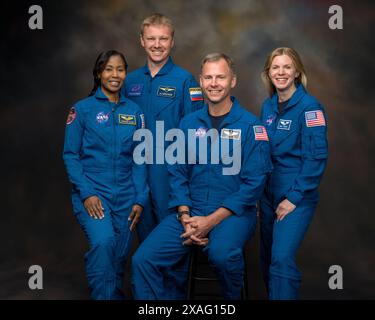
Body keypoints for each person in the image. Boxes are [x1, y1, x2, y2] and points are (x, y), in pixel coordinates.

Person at [131, 53, 272, 299]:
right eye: (208, 77)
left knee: (221, 254)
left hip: (233, 214)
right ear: (201, 81)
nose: (214, 83)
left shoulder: (251, 127)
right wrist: (185, 215)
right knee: (143, 259)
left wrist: (211, 221)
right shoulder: (187, 124)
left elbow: (254, 184)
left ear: (233, 81)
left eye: (220, 77)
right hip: (191, 212)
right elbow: (177, 174)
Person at [63, 50, 148, 300]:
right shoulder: (82, 110)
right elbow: (70, 155)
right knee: (103, 244)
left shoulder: (135, 113)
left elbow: (140, 158)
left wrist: (140, 198)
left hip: (126, 196)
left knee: (119, 257)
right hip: (93, 194)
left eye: (120, 69)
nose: (115, 74)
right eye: (109, 69)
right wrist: (87, 193)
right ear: (99, 73)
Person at [122, 13, 204, 242]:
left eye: (163, 39)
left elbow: (196, 134)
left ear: (172, 42)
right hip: (135, 172)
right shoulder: (130, 82)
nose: (157, 45)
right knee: (143, 237)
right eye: (151, 39)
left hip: (169, 172)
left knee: (172, 240)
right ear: (142, 40)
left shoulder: (185, 81)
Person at [259, 47, 328, 299]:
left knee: (281, 260)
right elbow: (261, 153)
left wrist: (293, 198)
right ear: (268, 73)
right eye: (275, 67)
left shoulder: (310, 108)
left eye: (287, 67)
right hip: (267, 195)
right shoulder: (267, 107)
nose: (281, 72)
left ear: (297, 71)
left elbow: (316, 158)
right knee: (266, 261)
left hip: (295, 196)